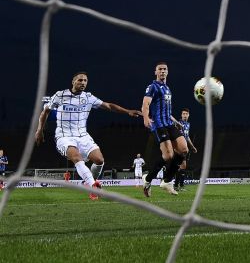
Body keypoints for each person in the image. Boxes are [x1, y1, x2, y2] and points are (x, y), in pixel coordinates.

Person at [35, 71, 141, 200]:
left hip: (83, 136)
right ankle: (93, 187)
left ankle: (89, 182)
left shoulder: (88, 97)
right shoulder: (60, 95)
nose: (83, 83)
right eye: (80, 80)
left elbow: (108, 106)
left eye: (85, 80)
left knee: (99, 160)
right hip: (64, 136)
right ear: (73, 81)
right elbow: (45, 111)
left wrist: (127, 111)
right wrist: (39, 130)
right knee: (76, 157)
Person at [141, 62, 189, 197]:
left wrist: (176, 122)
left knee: (183, 150)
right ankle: (148, 179)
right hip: (159, 125)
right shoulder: (152, 87)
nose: (162, 71)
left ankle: (167, 181)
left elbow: (167, 111)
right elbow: (145, 104)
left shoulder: (167, 88)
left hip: (169, 123)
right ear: (155, 72)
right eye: (160, 69)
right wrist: (145, 118)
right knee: (168, 156)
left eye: (165, 69)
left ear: (167, 72)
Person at [174, 108, 198, 192]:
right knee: (181, 166)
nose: (185, 115)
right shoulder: (178, 123)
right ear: (181, 115)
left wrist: (192, 147)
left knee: (182, 167)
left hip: (184, 148)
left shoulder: (188, 124)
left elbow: (187, 137)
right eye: (183, 114)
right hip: (178, 147)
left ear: (188, 115)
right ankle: (177, 185)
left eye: (186, 114)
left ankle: (179, 185)